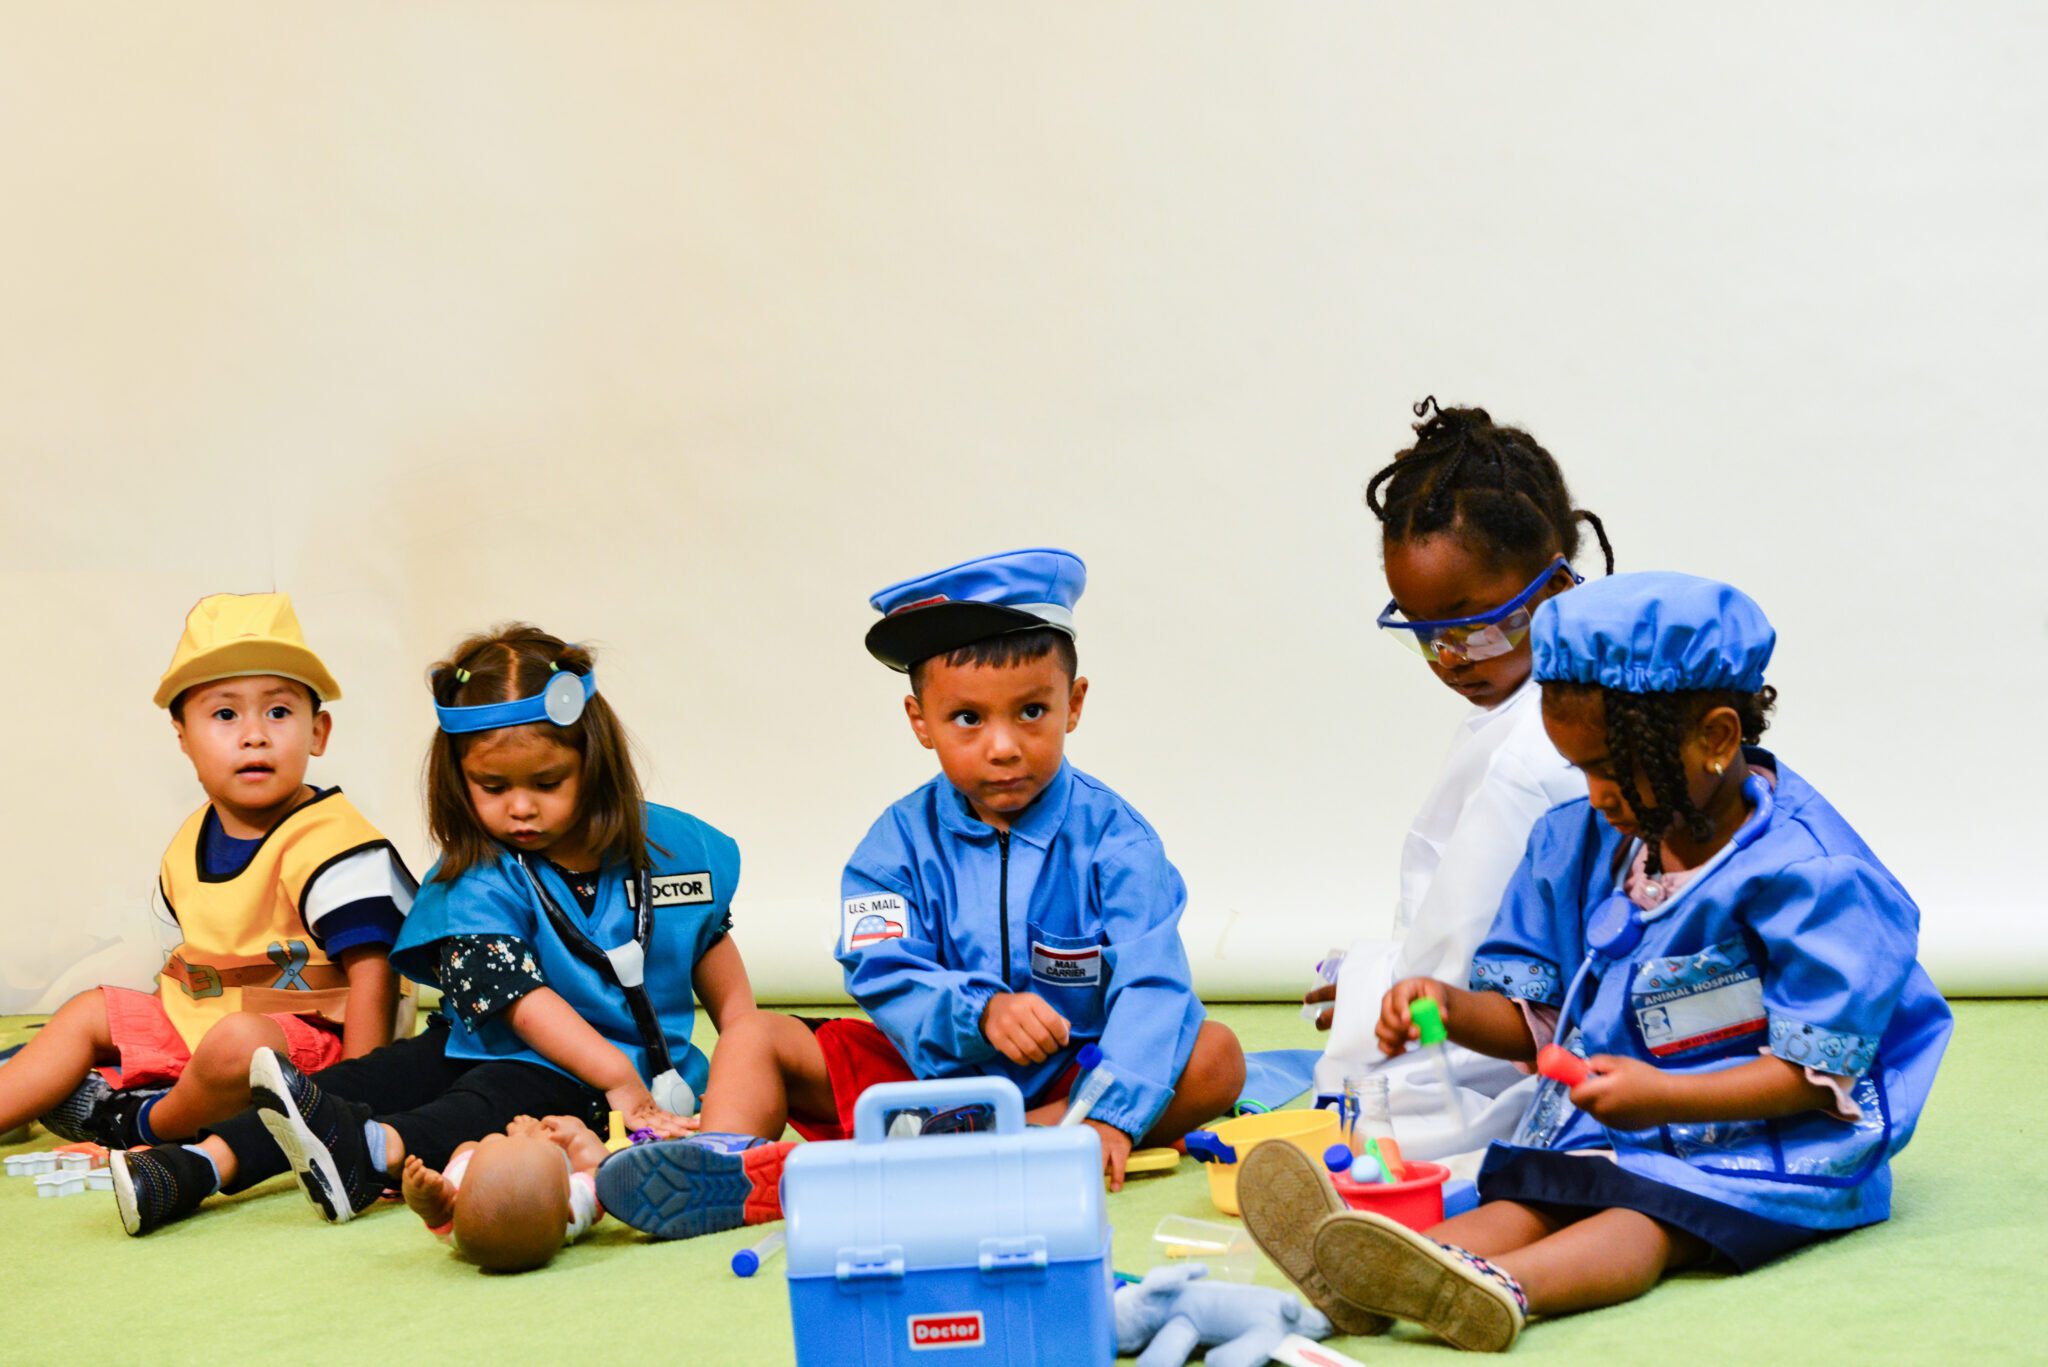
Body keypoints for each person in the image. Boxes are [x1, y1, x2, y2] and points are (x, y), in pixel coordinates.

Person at [1242, 572, 1952, 1351]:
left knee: (1643, 1220)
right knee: (1531, 1192)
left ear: (1716, 738)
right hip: (1616, 1130)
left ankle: (1504, 1289)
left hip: (1761, 1144)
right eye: (1579, 767)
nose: (1596, 794)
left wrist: (1664, 1097)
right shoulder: (1582, 840)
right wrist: (1446, 1006)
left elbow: (1815, 1075)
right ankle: (1380, 1273)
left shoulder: (1812, 877)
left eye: (1613, 768)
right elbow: (1536, 1026)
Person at [597, 548, 1244, 1240]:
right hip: (920, 1079)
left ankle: (1007, 1140)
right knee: (754, 1034)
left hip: (1071, 1078)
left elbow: (1153, 987)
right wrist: (980, 1011)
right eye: (968, 718)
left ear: (1073, 705)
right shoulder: (893, 846)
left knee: (1216, 1054)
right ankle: (723, 1164)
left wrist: (1113, 1111)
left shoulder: (1119, 843)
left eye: (1031, 711)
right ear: (920, 720)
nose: (1003, 746)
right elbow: (881, 969)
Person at [110, 625, 748, 1234]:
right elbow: (517, 1004)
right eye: (492, 786)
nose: (520, 807)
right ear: (457, 777)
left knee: (484, 1101)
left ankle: (369, 1151)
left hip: (599, 1080)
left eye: (548, 783)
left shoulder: (676, 847)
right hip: (492, 1039)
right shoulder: (473, 876)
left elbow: (714, 952)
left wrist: (732, 1065)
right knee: (361, 1081)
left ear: (595, 761)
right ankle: (197, 1164)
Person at [1309, 399, 1614, 1162]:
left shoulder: (1528, 756)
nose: (1451, 656)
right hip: (1523, 1014)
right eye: (1422, 632)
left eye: (1473, 622)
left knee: (1392, 1112)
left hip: (1528, 1039)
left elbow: (1456, 975)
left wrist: (1373, 998)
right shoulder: (1529, 709)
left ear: (1555, 588)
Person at [5, 592, 412, 1151]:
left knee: (241, 1047)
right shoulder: (191, 840)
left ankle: (139, 1123)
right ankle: (29, 1096)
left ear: (318, 732)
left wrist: (357, 1102)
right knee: (85, 1011)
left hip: (313, 1048)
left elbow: (373, 975)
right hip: (199, 1022)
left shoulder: (335, 844)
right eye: (225, 714)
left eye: (279, 711)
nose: (254, 734)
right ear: (184, 739)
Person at [401, 1113, 610, 1272]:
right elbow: (602, 1172)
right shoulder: (571, 1211)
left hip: (464, 1187)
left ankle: (436, 1200)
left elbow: (445, 1218)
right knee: (569, 1146)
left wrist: (429, 1201)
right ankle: (516, 1143)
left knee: (469, 1147)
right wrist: (576, 1137)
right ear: (568, 1209)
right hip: (480, 1177)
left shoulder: (462, 1223)